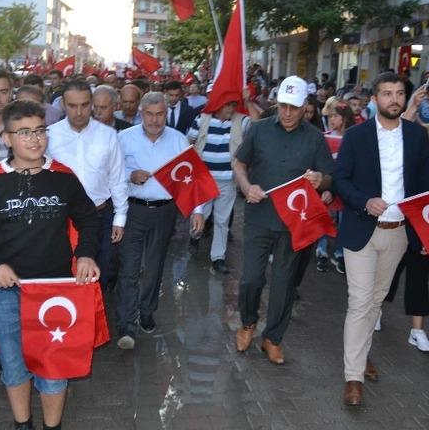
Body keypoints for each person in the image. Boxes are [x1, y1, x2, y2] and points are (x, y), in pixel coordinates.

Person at [0, 100, 101, 430]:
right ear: (7, 138)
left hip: (56, 291)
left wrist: (86, 254)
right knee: (13, 366)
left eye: (39, 131)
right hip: (8, 291)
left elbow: (89, 220)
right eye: (24, 132)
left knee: (53, 370)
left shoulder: (63, 178)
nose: (34, 139)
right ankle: (23, 424)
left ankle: (53, 427)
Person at [333, 71, 429, 406]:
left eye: (399, 93)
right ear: (374, 99)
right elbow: (340, 181)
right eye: (387, 93)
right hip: (362, 231)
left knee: (375, 302)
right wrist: (364, 201)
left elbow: (423, 188)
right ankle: (353, 376)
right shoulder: (356, 136)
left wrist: (424, 234)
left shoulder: (417, 137)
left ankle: (361, 355)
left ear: (405, 98)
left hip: (398, 234)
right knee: (360, 303)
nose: (394, 99)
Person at [232, 75, 335, 365]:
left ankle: (273, 338)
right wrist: (245, 186)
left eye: (294, 107)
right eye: (283, 106)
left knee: (284, 284)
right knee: (250, 279)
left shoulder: (315, 138)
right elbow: (239, 164)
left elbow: (330, 178)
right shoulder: (259, 129)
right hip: (259, 218)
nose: (287, 113)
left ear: (305, 107)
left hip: (294, 224)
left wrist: (320, 180)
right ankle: (248, 323)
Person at [115, 92, 204, 350]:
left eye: (160, 114)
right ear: (141, 113)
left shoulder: (178, 141)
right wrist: (131, 176)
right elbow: (112, 173)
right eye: (149, 114)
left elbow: (193, 177)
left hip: (165, 212)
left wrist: (197, 211)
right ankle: (126, 325)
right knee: (129, 269)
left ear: (167, 113)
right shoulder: (124, 139)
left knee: (154, 267)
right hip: (133, 210)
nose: (154, 120)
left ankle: (146, 312)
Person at [47, 79, 128, 292]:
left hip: (100, 216)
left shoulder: (108, 135)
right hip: (60, 220)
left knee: (98, 274)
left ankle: (94, 321)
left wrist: (120, 218)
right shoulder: (49, 136)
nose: (79, 112)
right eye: (73, 106)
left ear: (91, 103)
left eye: (84, 105)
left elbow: (117, 178)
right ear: (63, 104)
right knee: (62, 275)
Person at [383, 124, 429, 353]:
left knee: (419, 280)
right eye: (426, 141)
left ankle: (417, 330)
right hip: (400, 224)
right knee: (389, 274)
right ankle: (376, 311)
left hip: (423, 228)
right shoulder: (402, 160)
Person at [186, 94, 252, 275]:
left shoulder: (242, 121)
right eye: (227, 105)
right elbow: (188, 143)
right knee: (202, 215)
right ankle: (195, 236)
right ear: (218, 105)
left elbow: (260, 123)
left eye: (233, 105)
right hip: (203, 180)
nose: (230, 109)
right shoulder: (201, 119)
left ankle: (218, 258)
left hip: (228, 181)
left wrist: (247, 101)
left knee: (222, 220)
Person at [316, 100, 353, 274]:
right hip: (328, 187)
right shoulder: (325, 137)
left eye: (336, 115)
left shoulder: (352, 138)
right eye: (330, 115)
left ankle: (340, 253)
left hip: (345, 188)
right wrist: (325, 188)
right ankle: (321, 250)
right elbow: (322, 166)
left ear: (345, 118)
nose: (332, 119)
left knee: (344, 222)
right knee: (326, 218)